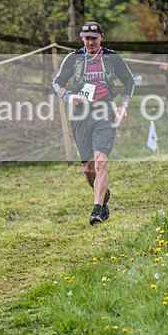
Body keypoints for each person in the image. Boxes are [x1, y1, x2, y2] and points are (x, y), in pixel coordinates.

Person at [52, 21, 135, 225]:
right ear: (82, 39)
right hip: (81, 114)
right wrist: (67, 96)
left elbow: (129, 81)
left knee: (100, 162)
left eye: (94, 38)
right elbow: (57, 82)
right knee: (88, 169)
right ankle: (103, 194)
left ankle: (97, 210)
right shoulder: (73, 58)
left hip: (104, 110)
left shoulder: (112, 57)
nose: (90, 42)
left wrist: (124, 105)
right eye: (87, 38)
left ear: (101, 38)